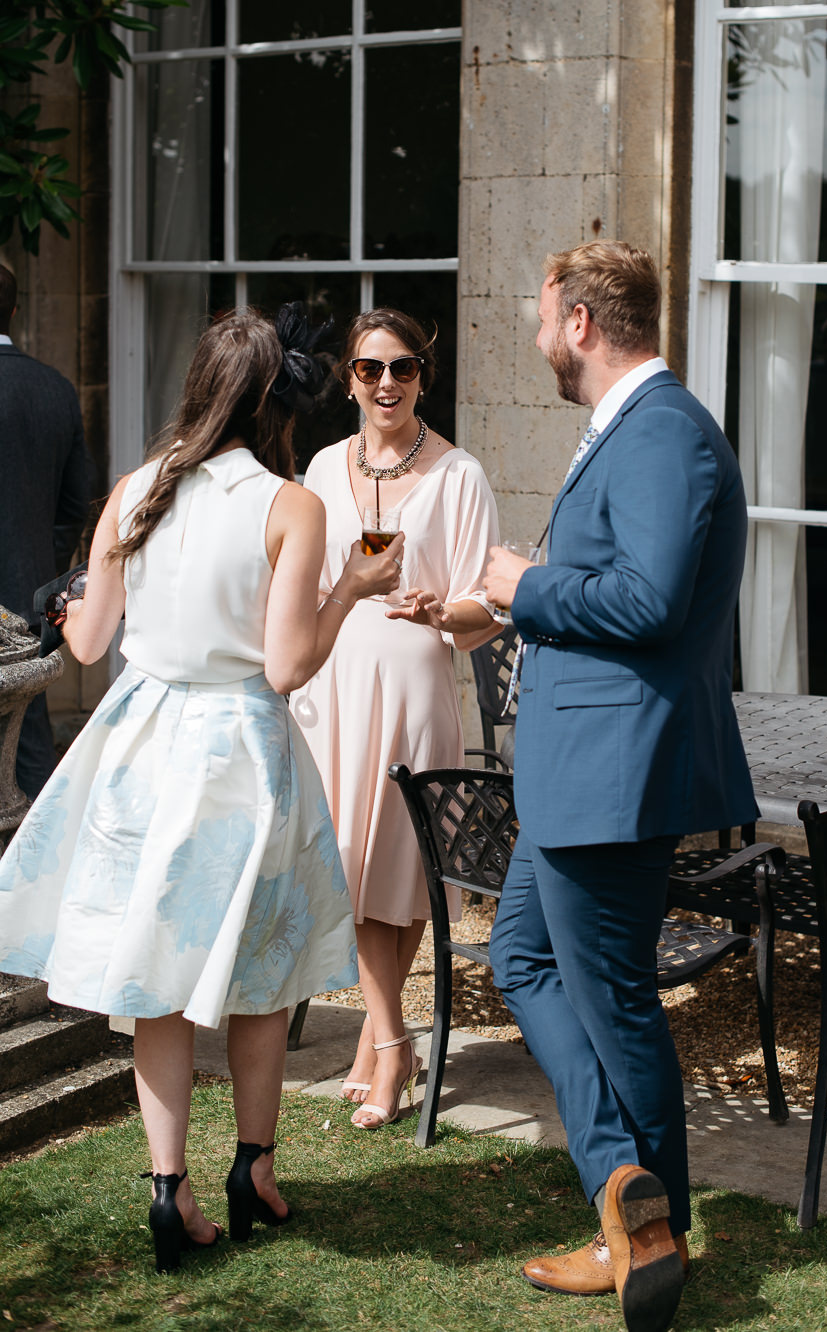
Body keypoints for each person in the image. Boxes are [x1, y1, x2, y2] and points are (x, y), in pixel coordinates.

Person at [0, 306, 404, 1273]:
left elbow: (88, 645)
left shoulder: (136, 489)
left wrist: (75, 599)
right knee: (259, 978)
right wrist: (350, 587)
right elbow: (285, 667)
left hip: (141, 750)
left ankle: (166, 1184)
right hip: (237, 759)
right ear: (277, 403)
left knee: (157, 985)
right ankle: (253, 1168)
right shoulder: (289, 504)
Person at [484, 242, 757, 1332]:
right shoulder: (627, 431)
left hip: (610, 773)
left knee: (617, 1007)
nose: (537, 337)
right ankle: (620, 1187)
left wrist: (529, 586)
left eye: (544, 320)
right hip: (572, 768)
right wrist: (491, 605)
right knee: (519, 956)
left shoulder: (662, 435)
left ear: (584, 325)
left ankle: (647, 1231)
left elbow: (644, 602)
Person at [290, 308, 499, 1129]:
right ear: (346, 379)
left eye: (403, 368)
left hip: (412, 686)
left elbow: (487, 610)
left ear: (423, 375)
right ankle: (389, 1039)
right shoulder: (317, 467)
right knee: (345, 867)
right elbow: (300, 584)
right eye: (370, 369)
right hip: (332, 687)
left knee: (393, 876)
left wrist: (438, 610)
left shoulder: (459, 476)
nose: (386, 383)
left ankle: (384, 1044)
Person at [0, 263, 94, 798]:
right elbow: (75, 500)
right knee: (28, 742)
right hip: (25, 596)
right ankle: (35, 876)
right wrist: (40, 561)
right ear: (15, 309)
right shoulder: (55, 388)